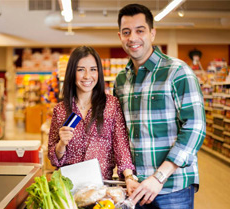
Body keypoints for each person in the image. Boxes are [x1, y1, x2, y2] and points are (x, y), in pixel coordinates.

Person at [114, 4, 206, 209]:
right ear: (120, 36)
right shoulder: (121, 80)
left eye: (140, 30)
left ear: (152, 33)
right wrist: (127, 176)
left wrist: (159, 177)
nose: (133, 38)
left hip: (173, 188)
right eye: (126, 32)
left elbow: (195, 128)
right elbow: (120, 132)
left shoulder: (178, 72)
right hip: (135, 188)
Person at [48, 46, 138, 191]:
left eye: (93, 69)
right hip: (70, 190)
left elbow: (121, 147)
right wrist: (61, 144)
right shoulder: (60, 110)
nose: (87, 76)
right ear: (72, 72)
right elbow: (54, 159)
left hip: (101, 189)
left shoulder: (111, 105)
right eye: (81, 69)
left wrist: (129, 177)